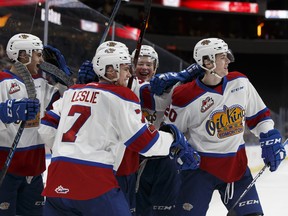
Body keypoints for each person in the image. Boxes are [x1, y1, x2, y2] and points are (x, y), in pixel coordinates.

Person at [38, 46, 200, 216]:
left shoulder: (73, 91)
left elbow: (46, 128)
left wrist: (71, 149)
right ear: (110, 70)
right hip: (95, 182)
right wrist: (172, 138)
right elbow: (146, 143)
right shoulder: (122, 95)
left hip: (56, 179)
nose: (129, 74)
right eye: (125, 68)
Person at [163, 37, 287, 216]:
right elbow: (169, 132)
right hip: (198, 171)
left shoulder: (240, 83)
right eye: (222, 57)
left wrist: (269, 136)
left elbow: (259, 116)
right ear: (207, 61)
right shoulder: (184, 96)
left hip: (236, 168)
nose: (228, 60)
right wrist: (179, 150)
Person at [0, 33, 61, 215]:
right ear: (23, 56)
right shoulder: (2, 81)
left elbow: (67, 104)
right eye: (38, 54)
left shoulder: (42, 84)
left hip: (34, 170)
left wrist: (62, 75)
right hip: (5, 169)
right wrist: (7, 111)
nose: (41, 60)